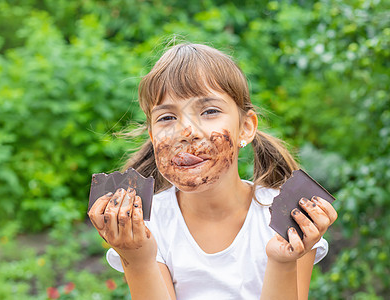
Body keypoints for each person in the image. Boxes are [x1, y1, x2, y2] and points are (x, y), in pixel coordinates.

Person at [88, 43, 338, 300]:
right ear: (152, 137)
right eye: (167, 117)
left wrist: (282, 261)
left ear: (246, 127)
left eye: (209, 111)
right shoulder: (148, 225)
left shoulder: (291, 217)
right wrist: (138, 259)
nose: (187, 133)